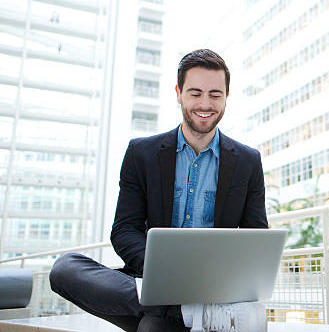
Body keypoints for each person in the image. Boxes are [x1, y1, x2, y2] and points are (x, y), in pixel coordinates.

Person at [49, 49, 269, 332]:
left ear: (227, 96)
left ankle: (178, 312)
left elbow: (255, 239)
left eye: (215, 94)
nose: (205, 103)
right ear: (178, 93)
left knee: (153, 327)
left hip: (214, 290)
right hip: (152, 280)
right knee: (65, 269)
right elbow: (125, 230)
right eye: (195, 93)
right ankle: (189, 312)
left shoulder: (248, 161)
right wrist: (163, 275)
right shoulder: (142, 153)